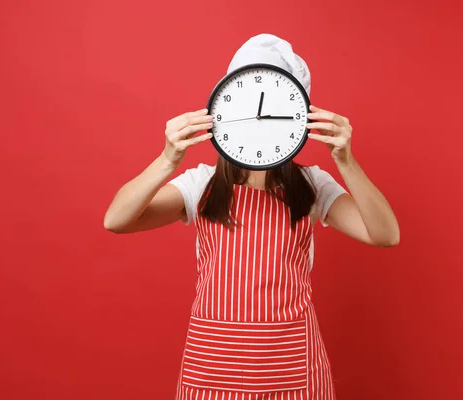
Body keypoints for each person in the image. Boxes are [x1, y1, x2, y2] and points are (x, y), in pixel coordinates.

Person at [104, 33, 400, 400]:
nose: (259, 118)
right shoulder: (201, 184)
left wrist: (346, 160)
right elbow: (116, 220)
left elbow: (385, 234)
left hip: (289, 366)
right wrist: (168, 159)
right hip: (213, 365)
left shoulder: (312, 184)